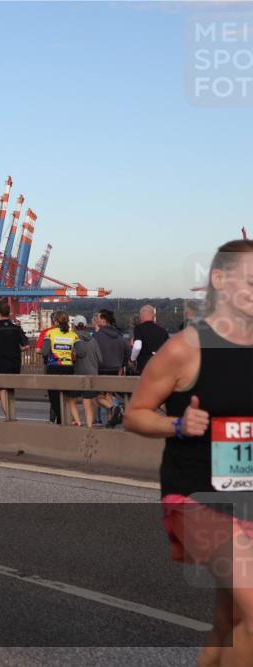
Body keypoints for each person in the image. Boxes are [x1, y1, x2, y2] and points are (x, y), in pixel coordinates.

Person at [124, 239, 253, 667]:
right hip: (198, 494)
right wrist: (177, 425)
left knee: (230, 623)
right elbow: (136, 414)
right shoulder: (185, 349)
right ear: (220, 280)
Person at [0, 301, 28, 418]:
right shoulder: (17, 329)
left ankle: (8, 415)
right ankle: (12, 413)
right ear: (9, 313)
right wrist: (17, 350)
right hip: (15, 362)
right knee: (11, 389)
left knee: (2, 390)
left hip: (0, 363)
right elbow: (26, 345)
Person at [40, 311, 78, 425]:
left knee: (54, 398)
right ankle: (64, 420)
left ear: (55, 321)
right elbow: (82, 352)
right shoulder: (73, 335)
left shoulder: (50, 333)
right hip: (68, 367)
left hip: (54, 367)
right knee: (67, 396)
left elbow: (44, 352)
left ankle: (62, 418)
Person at [93, 309, 130, 427]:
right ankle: (111, 422)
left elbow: (93, 353)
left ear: (103, 321)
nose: (97, 320)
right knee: (109, 395)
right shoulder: (119, 336)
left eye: (98, 318)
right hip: (115, 369)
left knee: (98, 397)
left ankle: (115, 408)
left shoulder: (97, 336)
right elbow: (127, 352)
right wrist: (122, 365)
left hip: (101, 369)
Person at [71, 316, 102, 428]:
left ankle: (78, 422)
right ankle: (89, 427)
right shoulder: (93, 340)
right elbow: (100, 359)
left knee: (72, 401)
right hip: (91, 374)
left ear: (74, 326)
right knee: (88, 402)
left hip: (76, 374)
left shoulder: (72, 339)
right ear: (85, 326)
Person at [130, 304, 169, 375]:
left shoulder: (139, 328)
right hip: (160, 366)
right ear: (153, 316)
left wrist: (132, 360)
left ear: (141, 316)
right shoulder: (163, 331)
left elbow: (137, 347)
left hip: (144, 365)